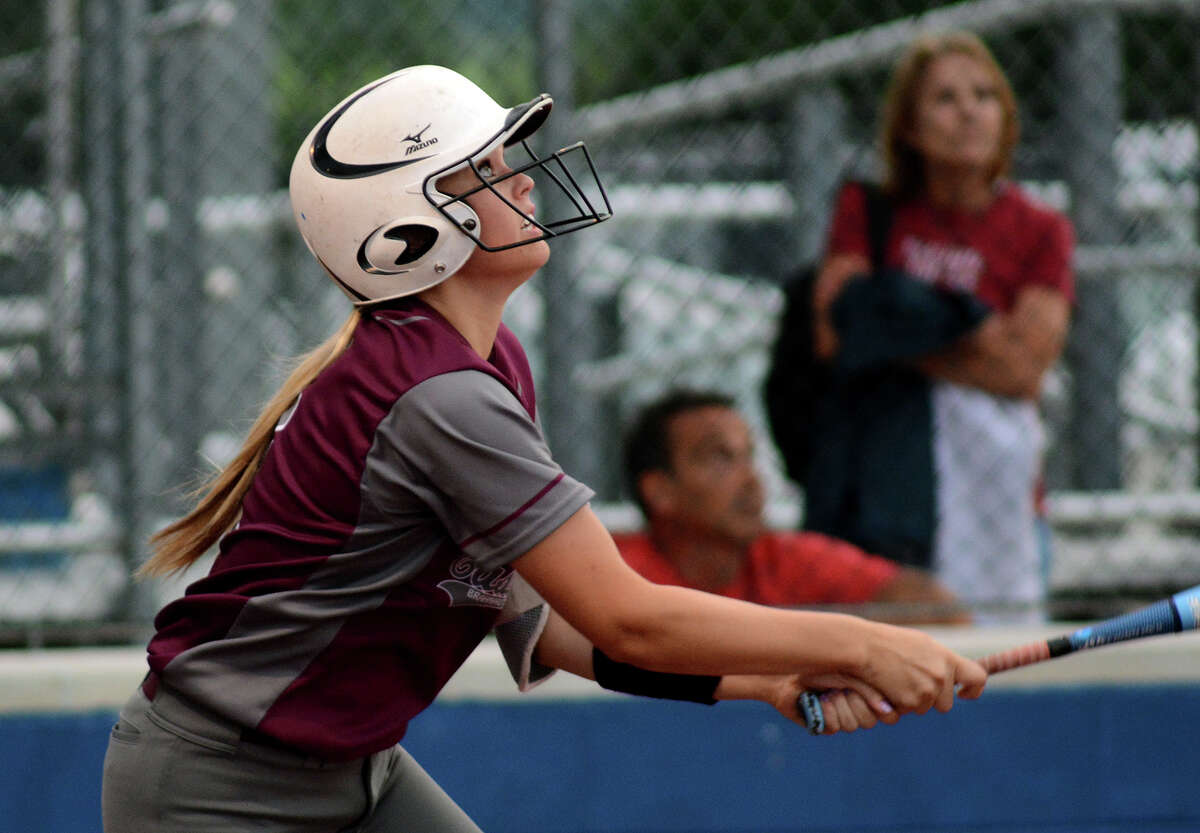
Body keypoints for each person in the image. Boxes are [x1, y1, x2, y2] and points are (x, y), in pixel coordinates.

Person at [100, 65, 987, 833]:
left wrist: (761, 677)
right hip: (219, 789)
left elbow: (546, 620)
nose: (523, 180)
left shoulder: (483, 363)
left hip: (346, 769)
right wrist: (861, 644)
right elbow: (627, 616)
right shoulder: (441, 397)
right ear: (407, 235)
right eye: (485, 171)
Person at [794, 32, 1074, 620]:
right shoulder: (870, 211)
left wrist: (894, 331)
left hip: (998, 492)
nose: (969, 110)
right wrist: (973, 337)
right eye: (946, 99)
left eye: (984, 95)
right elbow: (835, 334)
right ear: (912, 128)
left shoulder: (1040, 228)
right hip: (888, 488)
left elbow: (1023, 371)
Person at [618, 389, 969, 625]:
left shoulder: (787, 559)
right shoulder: (613, 572)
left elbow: (937, 608)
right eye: (720, 457)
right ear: (660, 491)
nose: (752, 480)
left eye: (749, 456)